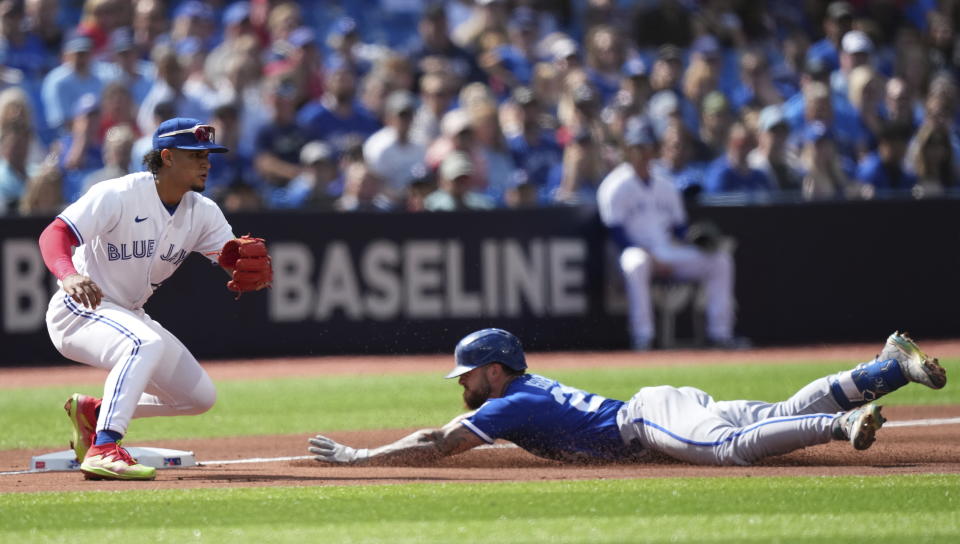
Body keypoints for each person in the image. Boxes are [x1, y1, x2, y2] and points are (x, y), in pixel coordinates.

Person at [308, 328, 946, 467]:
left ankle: (844, 424)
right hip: (658, 408)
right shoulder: (520, 391)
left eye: (467, 376)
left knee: (729, 451)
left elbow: (435, 443)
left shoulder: (510, 403)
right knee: (779, 412)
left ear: (495, 371)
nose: (464, 387)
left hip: (647, 417)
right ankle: (886, 367)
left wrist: (358, 458)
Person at [38, 117, 272, 481]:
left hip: (129, 313)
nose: (206, 162)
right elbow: (54, 234)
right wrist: (68, 275)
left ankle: (96, 413)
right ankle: (104, 446)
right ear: (166, 157)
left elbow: (229, 261)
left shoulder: (202, 212)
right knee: (142, 343)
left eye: (208, 154)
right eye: (195, 155)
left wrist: (245, 273)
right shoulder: (118, 194)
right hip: (81, 310)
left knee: (198, 397)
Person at [597, 122, 740, 350]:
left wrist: (694, 238)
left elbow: (679, 227)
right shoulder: (614, 185)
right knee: (635, 263)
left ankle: (720, 334)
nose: (643, 153)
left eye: (646, 147)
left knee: (720, 261)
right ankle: (643, 336)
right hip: (636, 252)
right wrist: (652, 257)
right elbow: (616, 234)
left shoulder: (665, 184)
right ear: (628, 150)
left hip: (668, 250)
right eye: (637, 147)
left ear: (654, 149)